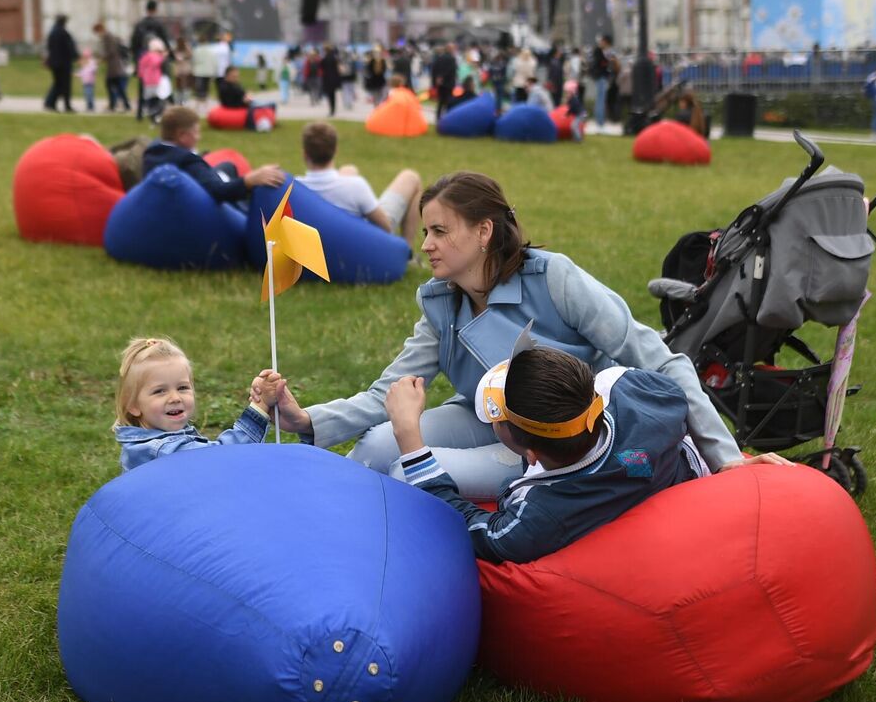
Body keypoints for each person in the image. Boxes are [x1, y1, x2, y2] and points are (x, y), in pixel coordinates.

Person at [265, 171, 741, 501]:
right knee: (375, 448)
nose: (425, 244)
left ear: (484, 231)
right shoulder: (439, 300)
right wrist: (306, 419)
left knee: (406, 475)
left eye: (439, 231)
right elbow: (388, 394)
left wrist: (728, 462)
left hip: (553, 442)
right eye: (425, 230)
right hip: (484, 417)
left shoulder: (553, 278)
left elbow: (661, 360)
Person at [390, 345, 751, 564]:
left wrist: (409, 437)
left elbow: (473, 529)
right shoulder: (634, 392)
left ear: (531, 454)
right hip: (667, 468)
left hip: (639, 486)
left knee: (397, 472)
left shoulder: (542, 514)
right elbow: (674, 394)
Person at [113, 337, 304, 473]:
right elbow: (223, 459)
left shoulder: (145, 441)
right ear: (133, 405)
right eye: (159, 391)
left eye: (182, 387)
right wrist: (259, 408)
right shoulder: (163, 449)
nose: (174, 398)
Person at [295, 122, 421, 244]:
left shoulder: (295, 188)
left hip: (318, 244)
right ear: (335, 151)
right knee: (411, 177)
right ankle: (406, 251)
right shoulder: (356, 186)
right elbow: (386, 227)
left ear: (304, 154)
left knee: (349, 170)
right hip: (362, 242)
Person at [142, 106, 286, 204]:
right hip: (205, 201)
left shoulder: (153, 152)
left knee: (228, 166)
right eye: (196, 132)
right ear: (182, 136)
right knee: (241, 187)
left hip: (199, 184)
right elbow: (218, 191)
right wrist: (249, 180)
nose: (199, 137)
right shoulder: (188, 162)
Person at [43, 14, 77, 112]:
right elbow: (70, 48)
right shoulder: (64, 33)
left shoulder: (52, 32)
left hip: (54, 63)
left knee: (58, 84)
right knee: (65, 85)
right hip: (64, 63)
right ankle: (67, 106)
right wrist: (75, 56)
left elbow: (49, 48)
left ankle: (50, 103)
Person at [96, 22, 131, 113]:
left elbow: (111, 51)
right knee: (116, 86)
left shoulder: (107, 36)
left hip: (114, 66)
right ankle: (120, 104)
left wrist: (102, 59)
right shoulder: (108, 36)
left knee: (112, 85)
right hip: (113, 66)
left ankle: (114, 104)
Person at [136, 38, 169, 121]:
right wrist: (163, 57)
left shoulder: (145, 56)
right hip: (155, 80)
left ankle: (152, 115)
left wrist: (142, 76)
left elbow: (140, 68)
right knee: (158, 99)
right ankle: (156, 115)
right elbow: (159, 64)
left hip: (147, 81)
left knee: (151, 100)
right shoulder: (156, 57)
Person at [431, 43, 458, 121]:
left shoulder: (440, 58)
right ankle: (448, 118)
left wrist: (437, 79)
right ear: (450, 49)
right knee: (448, 102)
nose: (454, 50)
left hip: (440, 84)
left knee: (441, 101)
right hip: (449, 83)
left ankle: (438, 117)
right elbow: (451, 70)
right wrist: (442, 77)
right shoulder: (452, 59)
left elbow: (434, 69)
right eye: (453, 49)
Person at [78, 48, 98, 113]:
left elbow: (94, 69)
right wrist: (77, 74)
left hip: (90, 81)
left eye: (86, 56)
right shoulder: (83, 63)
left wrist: (88, 66)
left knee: (90, 94)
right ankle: (88, 106)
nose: (85, 57)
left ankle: (91, 106)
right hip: (85, 82)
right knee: (86, 94)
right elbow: (82, 72)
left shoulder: (92, 62)